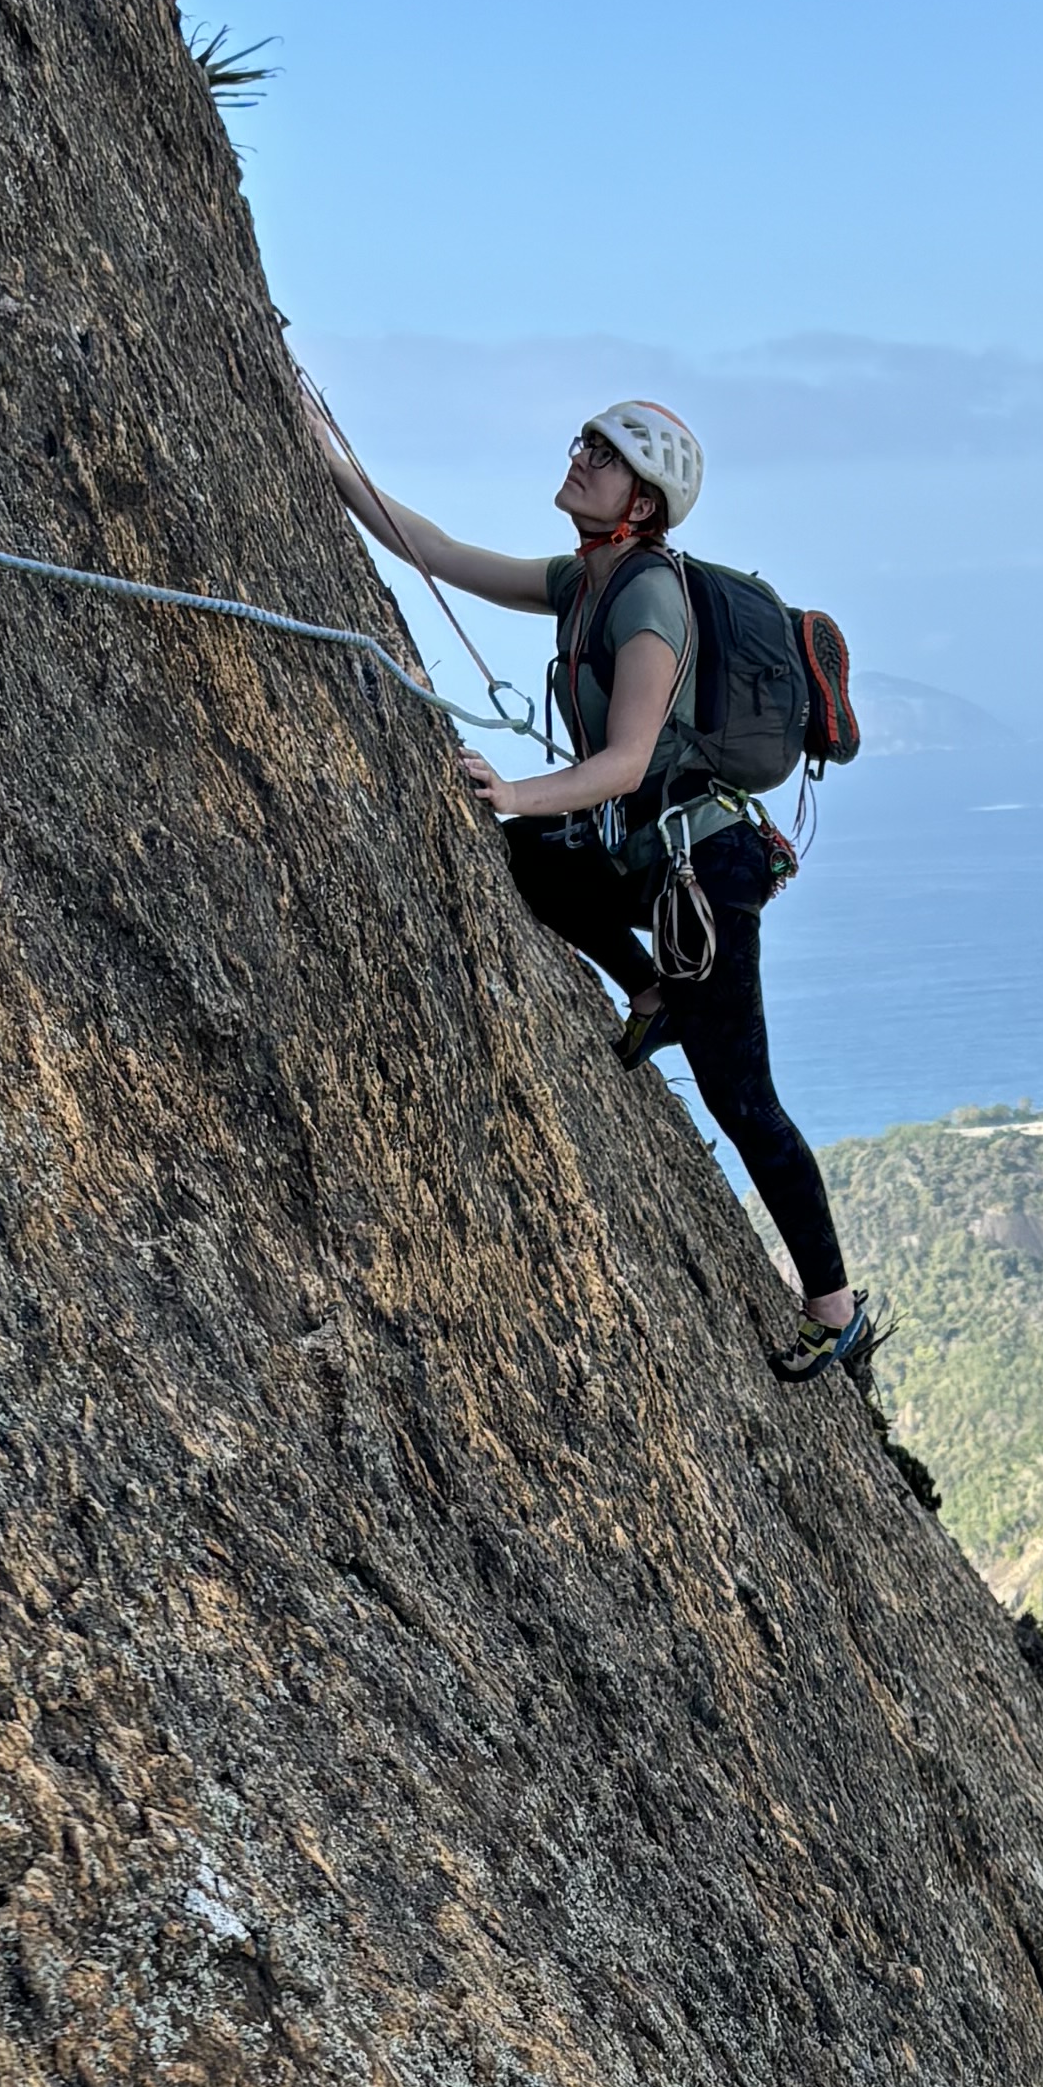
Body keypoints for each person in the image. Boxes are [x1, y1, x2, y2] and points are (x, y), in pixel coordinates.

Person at [306, 389, 876, 1389]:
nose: (579, 461)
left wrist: (513, 789)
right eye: (585, 445)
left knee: (741, 1096)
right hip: (646, 855)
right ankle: (648, 991)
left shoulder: (649, 597)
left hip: (703, 867)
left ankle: (835, 1311)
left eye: (603, 457)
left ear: (643, 502)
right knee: (531, 861)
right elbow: (435, 552)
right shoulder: (583, 579)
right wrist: (332, 463)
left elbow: (626, 759)